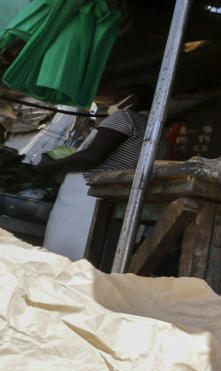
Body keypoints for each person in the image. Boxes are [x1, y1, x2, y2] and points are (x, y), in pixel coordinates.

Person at [37, 88, 167, 260]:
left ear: (131, 99)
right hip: (120, 203)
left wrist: (51, 167)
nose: (112, 104)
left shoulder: (126, 117)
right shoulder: (161, 138)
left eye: (116, 98)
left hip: (87, 199)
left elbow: (91, 156)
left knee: (62, 260)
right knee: (97, 264)